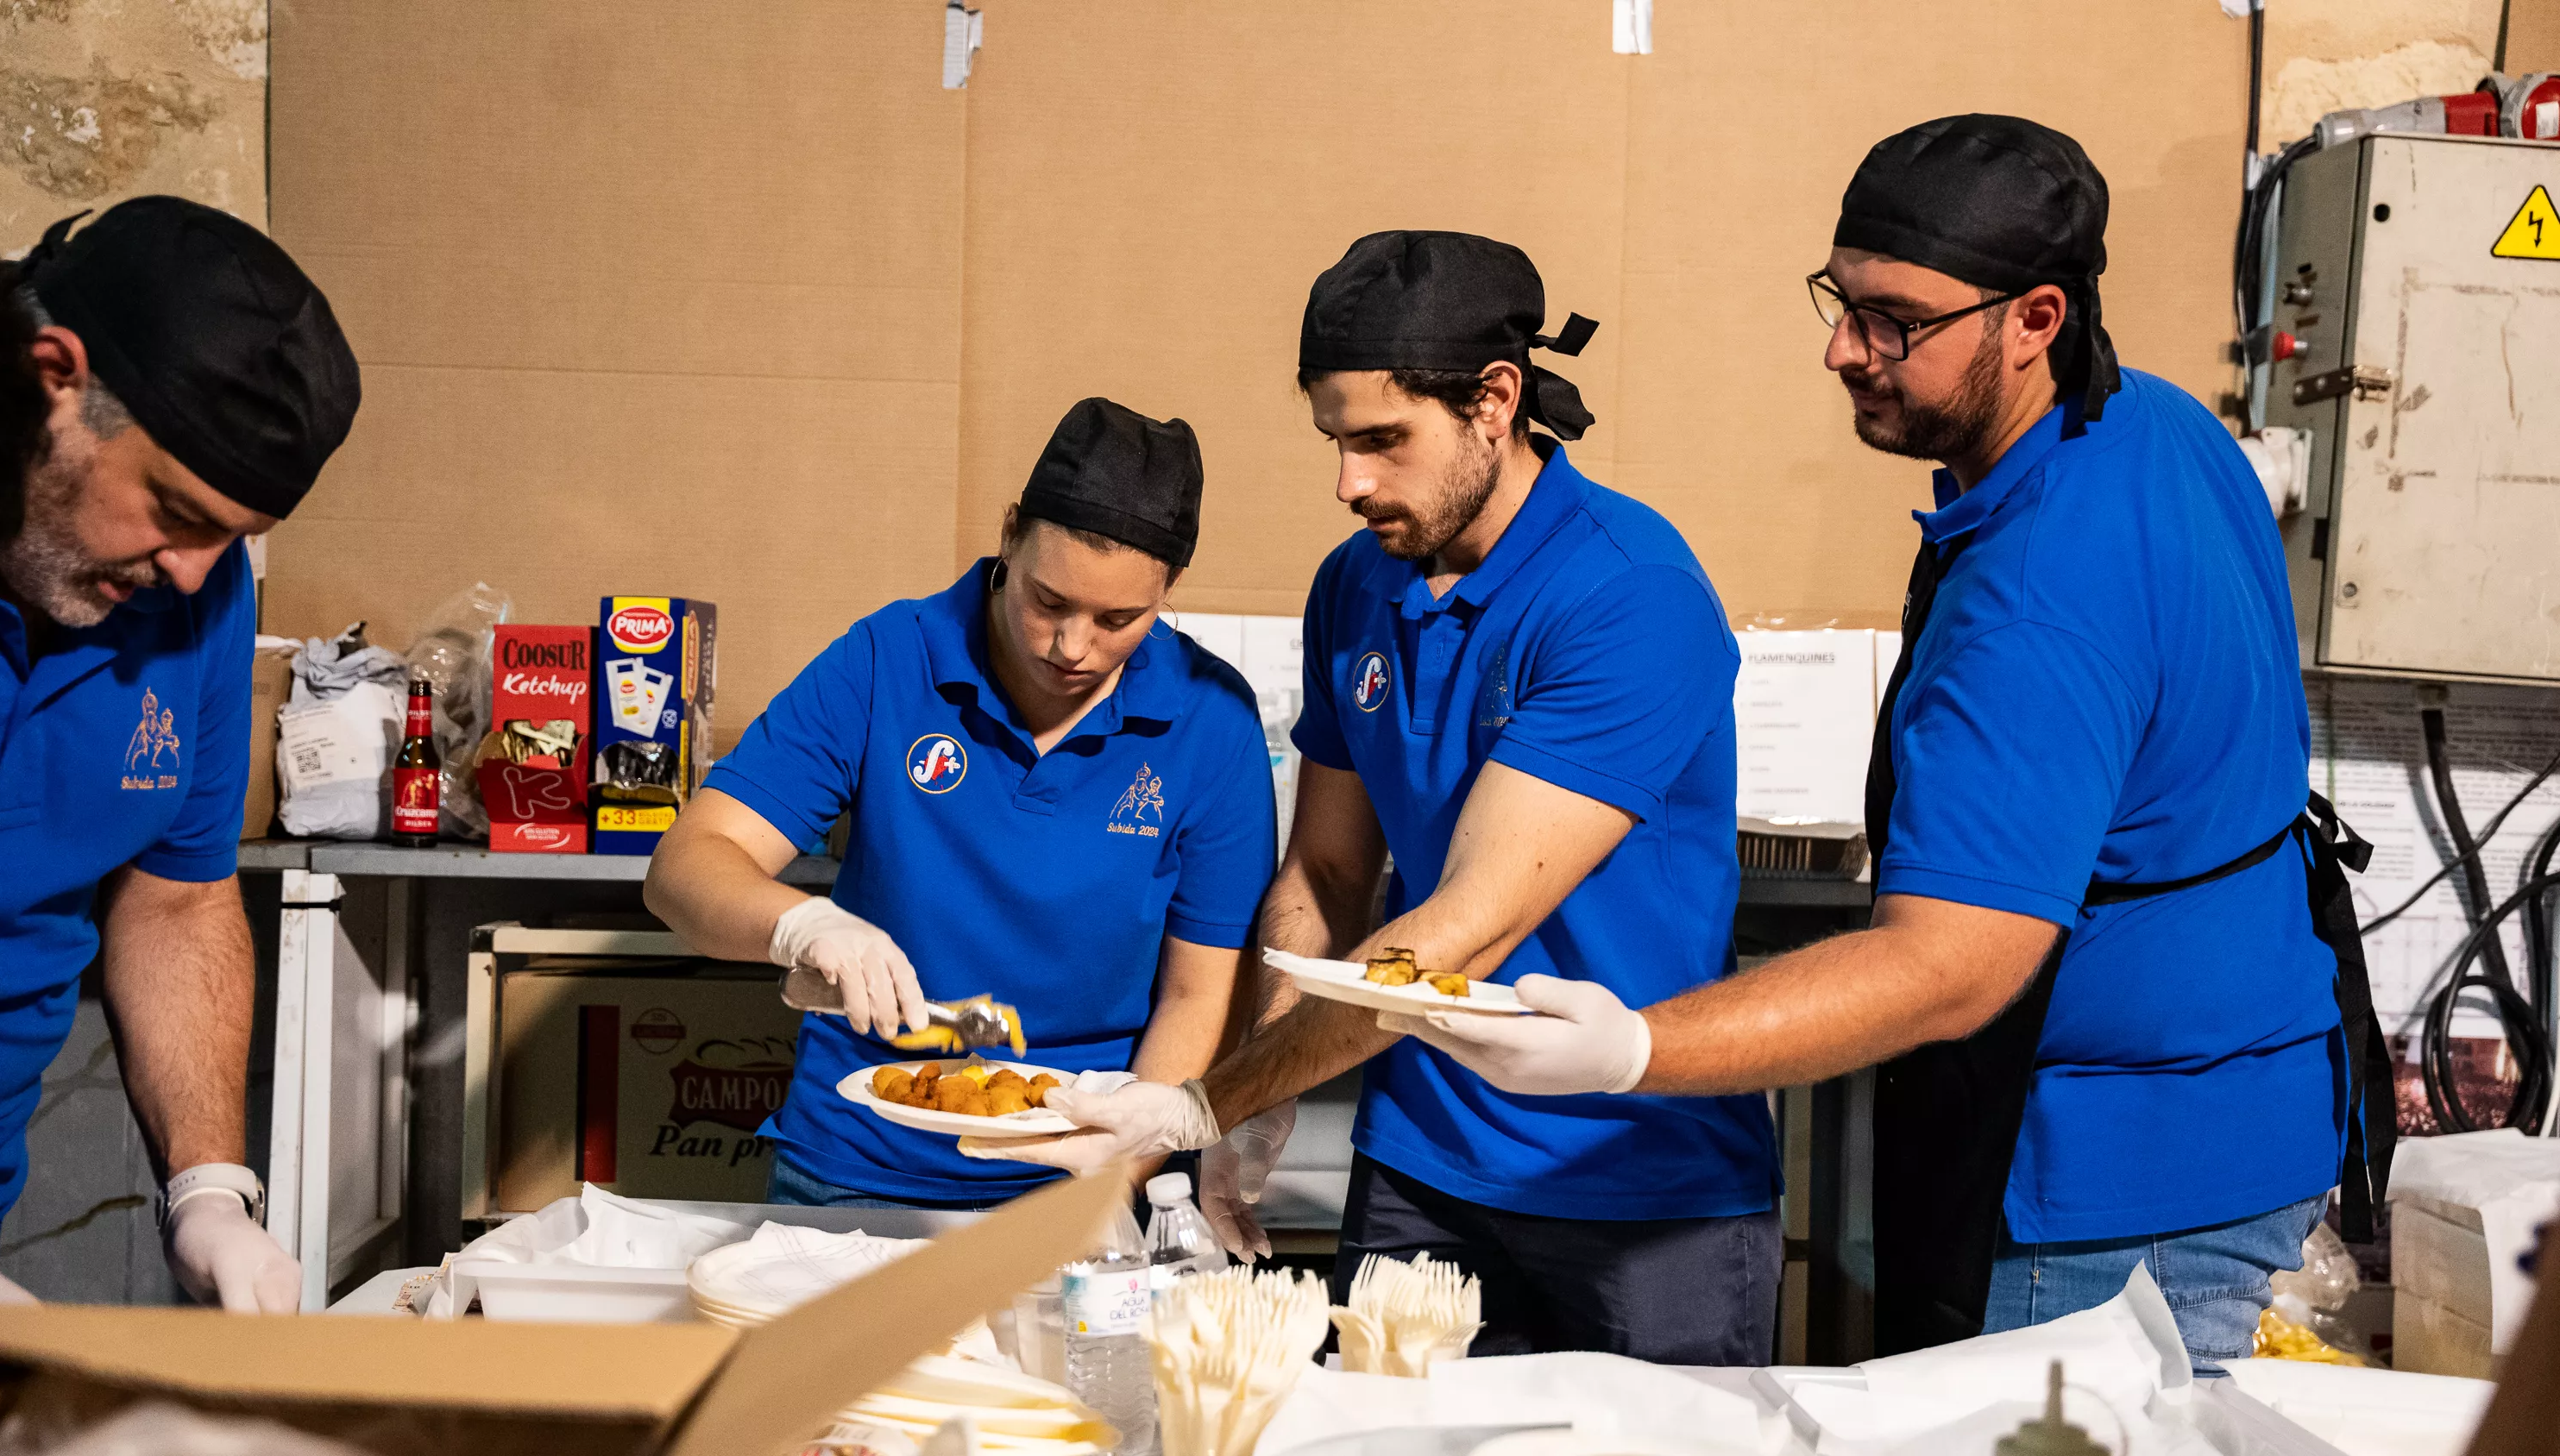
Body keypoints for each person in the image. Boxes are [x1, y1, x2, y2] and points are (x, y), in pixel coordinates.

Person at [1381, 116, 2392, 1363]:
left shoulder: (2037, 601)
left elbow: (1949, 962)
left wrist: (1634, 1047)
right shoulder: (2156, 426)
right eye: (1841, 300)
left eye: (1893, 322)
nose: (1842, 350)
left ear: (2035, 319)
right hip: (2251, 1103)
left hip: (2114, 1188)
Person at [971, 232, 1783, 1365]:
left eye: (1382, 441)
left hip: (1638, 1184)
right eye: (1335, 440)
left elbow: (1460, 932)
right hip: (1421, 1173)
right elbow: (1329, 873)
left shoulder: (1626, 593)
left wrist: (1203, 1101)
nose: (1347, 482)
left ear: (1497, 402)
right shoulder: (1356, 583)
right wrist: (1262, 1098)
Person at [643, 399, 1276, 1209]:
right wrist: (799, 924)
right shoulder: (888, 659)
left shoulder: (1210, 719)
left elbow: (1202, 992)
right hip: (856, 1168)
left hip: (1084, 1170)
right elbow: (686, 868)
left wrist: (1117, 1172)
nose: (1072, 646)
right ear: (1010, 535)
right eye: (1048, 601)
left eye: (1120, 619)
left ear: (1171, 587)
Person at [0, 198, 362, 1311]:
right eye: (175, 510)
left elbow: (177, 901)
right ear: (52, 378)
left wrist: (210, 1193)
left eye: (230, 538)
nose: (197, 576)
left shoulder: (190, 592)